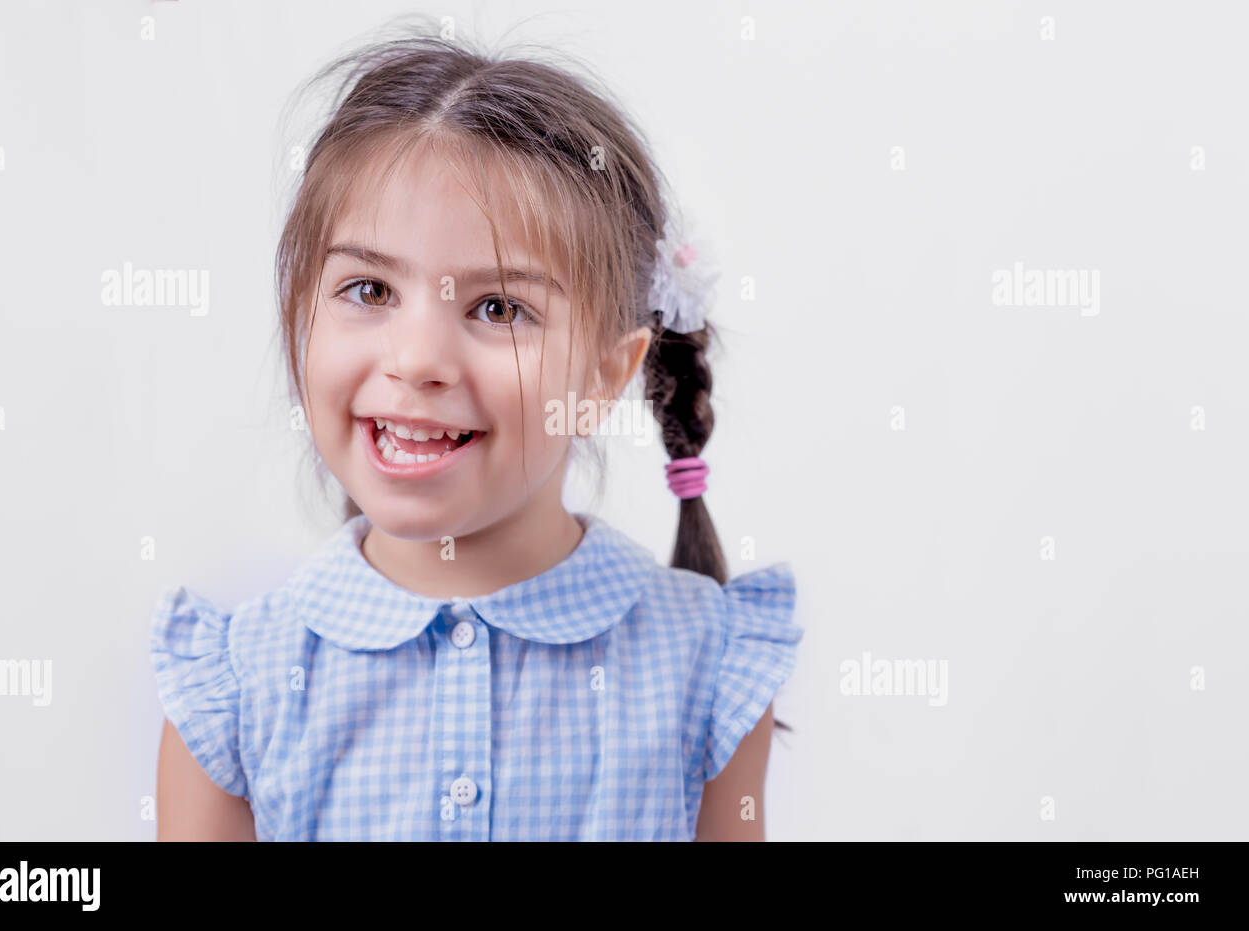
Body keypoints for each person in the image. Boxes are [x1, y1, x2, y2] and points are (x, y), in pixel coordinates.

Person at [150, 19, 803, 841]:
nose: (418, 359)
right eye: (369, 290)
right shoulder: (234, 690)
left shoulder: (707, 670)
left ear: (606, 374)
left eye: (499, 308)